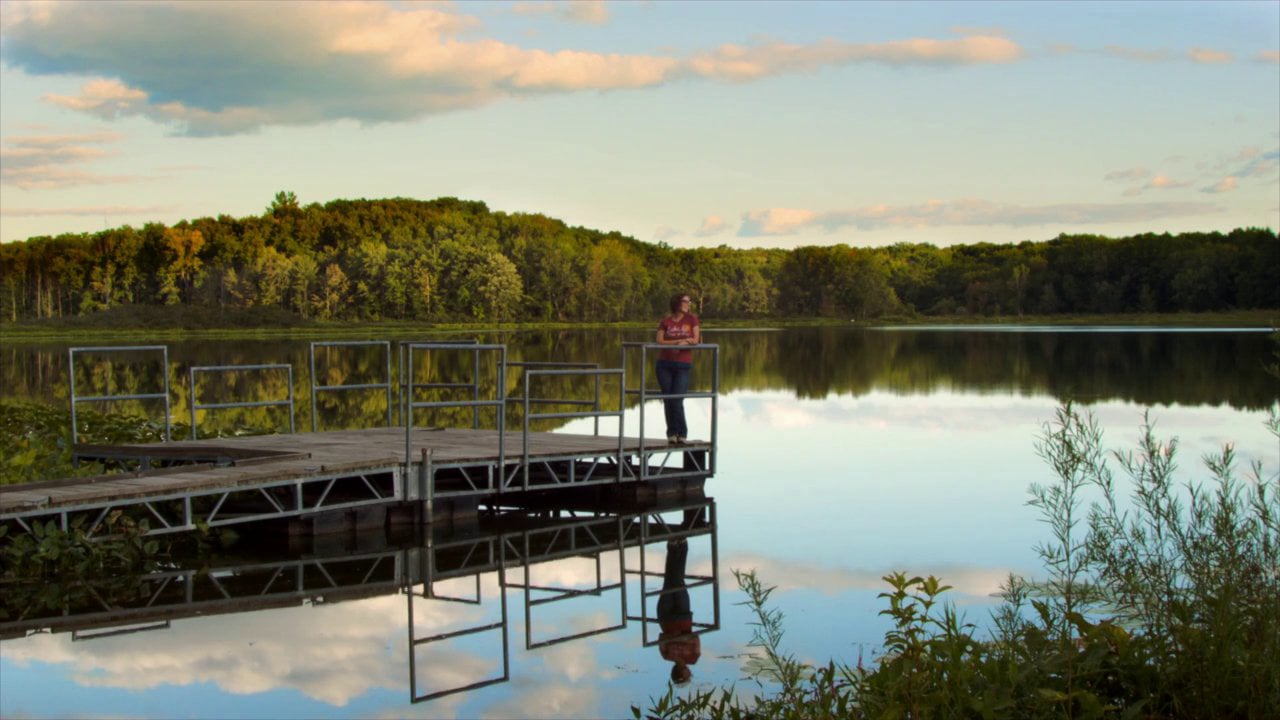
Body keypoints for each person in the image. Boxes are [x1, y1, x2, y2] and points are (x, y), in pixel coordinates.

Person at [656, 293, 700, 444]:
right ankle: (672, 433)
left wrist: (686, 341)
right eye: (685, 301)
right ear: (677, 303)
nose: (688, 304)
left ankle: (682, 433)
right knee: (668, 399)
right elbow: (659, 341)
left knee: (677, 399)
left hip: (683, 365)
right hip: (664, 364)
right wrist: (679, 341)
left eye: (689, 301)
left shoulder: (692, 319)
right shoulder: (666, 321)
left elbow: (695, 340)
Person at [657, 538, 700, 685]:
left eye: (688, 676)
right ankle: (679, 547)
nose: (690, 674)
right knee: (677, 582)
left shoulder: (667, 656)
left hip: (666, 617)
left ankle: (676, 547)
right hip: (683, 617)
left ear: (682, 673)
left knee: (669, 581)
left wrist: (678, 637)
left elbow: (661, 638)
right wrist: (678, 637)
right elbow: (695, 638)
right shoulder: (693, 658)